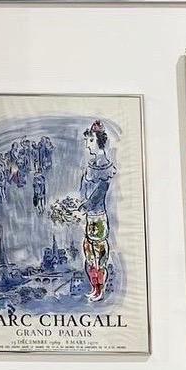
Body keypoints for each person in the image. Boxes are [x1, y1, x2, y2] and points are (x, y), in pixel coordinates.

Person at [79, 121, 116, 302]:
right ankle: (94, 287)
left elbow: (99, 192)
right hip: (90, 218)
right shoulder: (91, 164)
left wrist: (85, 205)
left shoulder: (104, 165)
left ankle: (99, 289)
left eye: (91, 140)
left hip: (98, 218)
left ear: (99, 142)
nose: (87, 144)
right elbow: (84, 190)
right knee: (89, 252)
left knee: (98, 254)